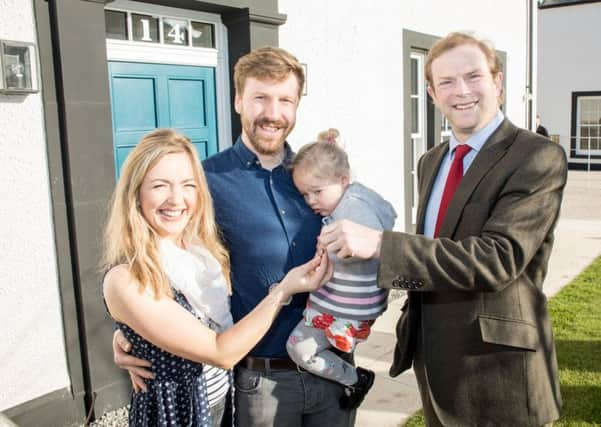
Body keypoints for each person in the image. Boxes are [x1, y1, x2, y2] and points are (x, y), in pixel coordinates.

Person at [318, 32, 565, 426]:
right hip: (433, 365)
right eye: (446, 82)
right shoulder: (431, 161)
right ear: (432, 94)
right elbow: (435, 251)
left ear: (497, 82)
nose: (461, 91)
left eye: (473, 76)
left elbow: (497, 258)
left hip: (499, 374)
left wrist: (382, 244)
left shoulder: (536, 156)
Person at [112, 48, 356, 427]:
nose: (273, 113)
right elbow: (158, 255)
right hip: (261, 379)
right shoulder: (204, 181)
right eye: (260, 98)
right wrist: (131, 331)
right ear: (239, 100)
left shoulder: (317, 176)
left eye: (285, 100)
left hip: (333, 369)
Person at [102, 129, 332, 426]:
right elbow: (220, 351)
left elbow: (186, 321)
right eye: (159, 185)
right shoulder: (127, 278)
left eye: (188, 185)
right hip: (179, 414)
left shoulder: (200, 251)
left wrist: (133, 335)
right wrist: (283, 291)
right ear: (135, 194)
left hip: (219, 403)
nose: (176, 199)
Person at [285, 130, 396, 410]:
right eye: (305, 194)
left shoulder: (352, 211)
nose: (311, 201)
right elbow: (390, 214)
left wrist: (326, 247)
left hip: (343, 308)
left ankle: (354, 379)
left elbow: (361, 248)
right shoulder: (362, 196)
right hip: (361, 304)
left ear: (343, 180)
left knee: (298, 348)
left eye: (317, 192)